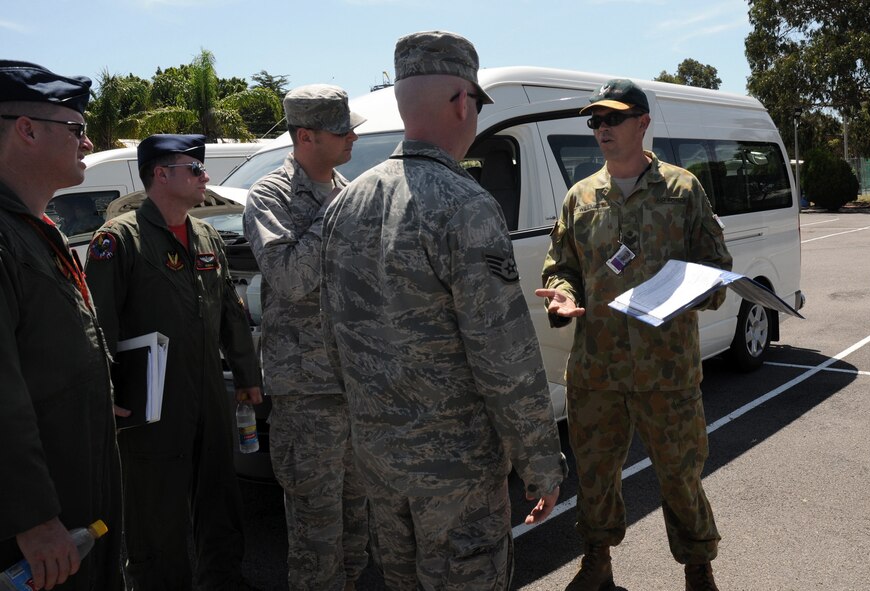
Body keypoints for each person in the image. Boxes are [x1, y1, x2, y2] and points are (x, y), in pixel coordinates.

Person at [320, 30, 567, 591]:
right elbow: (504, 357)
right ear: (462, 102)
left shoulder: (345, 204)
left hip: (382, 468)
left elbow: (334, 342)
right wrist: (541, 464)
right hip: (456, 481)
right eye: (476, 105)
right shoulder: (464, 205)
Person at [536, 79, 733, 591]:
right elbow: (561, 265)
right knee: (597, 476)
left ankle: (698, 568)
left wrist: (691, 292)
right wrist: (560, 294)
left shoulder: (683, 189)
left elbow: (716, 267)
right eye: (595, 121)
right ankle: (596, 561)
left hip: (666, 370)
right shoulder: (581, 195)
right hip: (596, 371)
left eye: (612, 118)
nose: (601, 129)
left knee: (681, 475)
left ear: (642, 123)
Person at [84, 134, 262, 590]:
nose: (206, 177)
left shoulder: (204, 234)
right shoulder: (118, 240)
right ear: (161, 174)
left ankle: (222, 581)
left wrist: (246, 375)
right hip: (150, 399)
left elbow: (229, 309)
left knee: (220, 498)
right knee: (154, 510)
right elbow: (96, 324)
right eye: (195, 169)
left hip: (205, 389)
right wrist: (105, 393)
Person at [0, 61, 123, 590]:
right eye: (76, 128)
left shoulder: (34, 229)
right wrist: (31, 516)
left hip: (74, 501)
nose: (89, 142)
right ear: (26, 130)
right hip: (35, 534)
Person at [242, 84, 369, 591]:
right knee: (316, 541)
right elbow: (291, 279)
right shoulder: (270, 195)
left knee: (357, 531)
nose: (352, 138)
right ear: (305, 136)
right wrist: (336, 216)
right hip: (307, 396)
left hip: (355, 387)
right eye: (342, 131)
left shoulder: (348, 189)